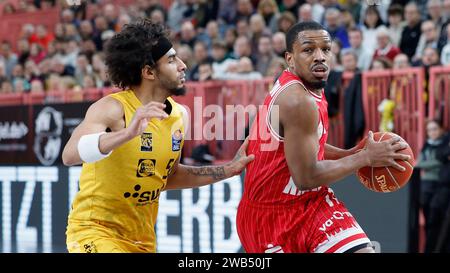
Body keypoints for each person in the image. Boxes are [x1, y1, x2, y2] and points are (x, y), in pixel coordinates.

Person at [61, 19, 254, 253]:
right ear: (149, 72)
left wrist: (227, 170)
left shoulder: (179, 115)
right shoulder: (113, 108)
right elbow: (70, 155)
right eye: (172, 60)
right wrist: (126, 134)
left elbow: (167, 177)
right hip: (94, 231)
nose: (183, 65)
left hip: (142, 240)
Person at [236, 21, 411, 253]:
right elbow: (306, 177)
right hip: (270, 216)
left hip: (312, 203)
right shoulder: (298, 100)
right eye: (309, 50)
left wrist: (350, 153)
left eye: (326, 49)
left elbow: (306, 143)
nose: (320, 56)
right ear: (290, 58)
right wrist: (364, 158)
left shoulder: (308, 84)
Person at [416, 119, 450, 252]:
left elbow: (438, 160)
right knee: (429, 220)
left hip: (441, 185)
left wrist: (433, 162)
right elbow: (419, 163)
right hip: (426, 186)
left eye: (435, 129)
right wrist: (437, 161)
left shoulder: (444, 142)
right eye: (429, 130)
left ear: (441, 129)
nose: (432, 132)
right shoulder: (427, 145)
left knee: (436, 219)